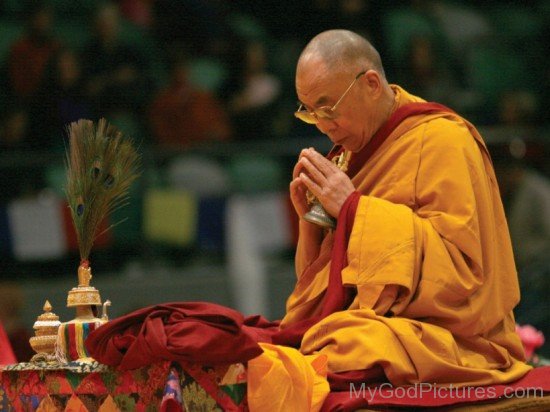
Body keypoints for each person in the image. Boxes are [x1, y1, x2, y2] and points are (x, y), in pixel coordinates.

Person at [271, 29, 530, 405]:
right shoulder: (350, 153)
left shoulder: (443, 141)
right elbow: (318, 292)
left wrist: (353, 209)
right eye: (308, 112)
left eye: (328, 109)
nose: (322, 125)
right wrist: (312, 225)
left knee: (339, 345)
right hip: (381, 325)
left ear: (372, 84)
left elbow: (461, 272)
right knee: (320, 342)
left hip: (451, 335)